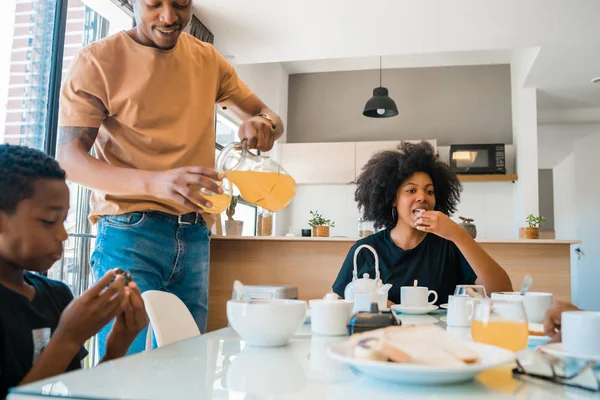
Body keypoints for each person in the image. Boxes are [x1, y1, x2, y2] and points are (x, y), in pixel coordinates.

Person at [56, 0, 283, 356]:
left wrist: (263, 124)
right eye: (153, 3)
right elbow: (70, 159)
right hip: (128, 234)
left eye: (180, 4)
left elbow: (270, 117)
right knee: (128, 376)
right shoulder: (98, 60)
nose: (169, 17)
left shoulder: (207, 59)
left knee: (188, 370)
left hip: (195, 234)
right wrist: (157, 182)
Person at [0, 145, 148, 399]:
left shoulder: (56, 296)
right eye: (48, 221)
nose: (63, 235)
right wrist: (67, 338)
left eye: (64, 221)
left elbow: (79, 395)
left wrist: (118, 346)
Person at [332, 141, 513, 305]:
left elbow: (501, 292)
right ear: (392, 199)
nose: (422, 197)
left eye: (429, 191)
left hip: (436, 338)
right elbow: (340, 304)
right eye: (411, 190)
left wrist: (458, 234)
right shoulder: (365, 250)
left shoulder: (449, 247)